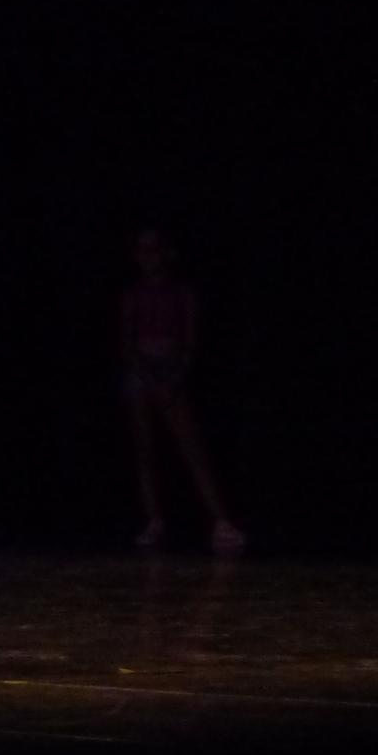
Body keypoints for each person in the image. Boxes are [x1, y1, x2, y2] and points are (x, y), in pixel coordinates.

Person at [121, 227, 247, 554]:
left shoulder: (183, 293)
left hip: (170, 372)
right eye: (142, 250)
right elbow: (127, 342)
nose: (148, 256)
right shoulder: (133, 294)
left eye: (154, 249)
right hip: (142, 374)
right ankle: (154, 521)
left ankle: (221, 521)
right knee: (144, 450)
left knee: (191, 447)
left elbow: (191, 343)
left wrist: (174, 379)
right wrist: (146, 376)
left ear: (167, 253)